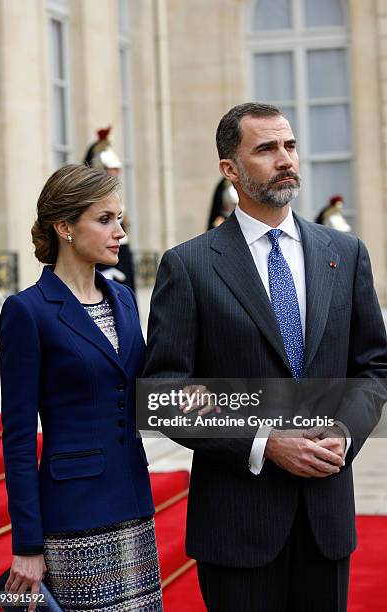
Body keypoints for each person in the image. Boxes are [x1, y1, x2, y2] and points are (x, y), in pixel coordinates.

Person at [143, 102, 387, 611]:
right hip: (237, 524)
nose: (285, 159)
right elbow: (163, 394)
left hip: (327, 519)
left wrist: (343, 431)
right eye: (266, 149)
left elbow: (373, 367)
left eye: (290, 146)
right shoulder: (189, 266)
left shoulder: (346, 254)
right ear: (230, 170)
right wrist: (264, 441)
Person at [0, 164, 162, 611]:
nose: (121, 233)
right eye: (106, 219)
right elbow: (16, 440)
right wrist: (27, 545)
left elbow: (144, 390)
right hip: (74, 517)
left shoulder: (125, 299)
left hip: (134, 505)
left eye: (120, 219)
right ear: (66, 226)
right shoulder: (26, 311)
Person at [84, 126, 136, 291]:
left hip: (120, 255)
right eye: (110, 169)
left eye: (116, 169)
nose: (115, 173)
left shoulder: (116, 198)